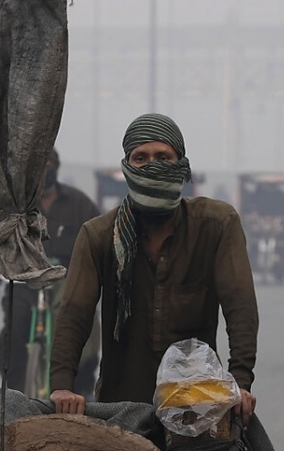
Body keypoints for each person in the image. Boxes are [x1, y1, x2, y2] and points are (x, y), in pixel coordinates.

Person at [49, 113, 258, 420]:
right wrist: (62, 386)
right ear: (126, 167)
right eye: (140, 158)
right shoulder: (99, 235)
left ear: (181, 165)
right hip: (121, 406)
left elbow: (240, 305)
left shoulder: (216, 225)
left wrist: (240, 381)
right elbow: (74, 313)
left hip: (198, 401)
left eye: (163, 156)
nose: (152, 165)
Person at [0, 148, 101, 396]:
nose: (42, 171)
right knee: (14, 325)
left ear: (56, 167)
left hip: (66, 277)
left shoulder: (80, 204)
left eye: (48, 165)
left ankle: (80, 384)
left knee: (76, 320)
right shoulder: (15, 207)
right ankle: (18, 392)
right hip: (25, 279)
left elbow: (99, 240)